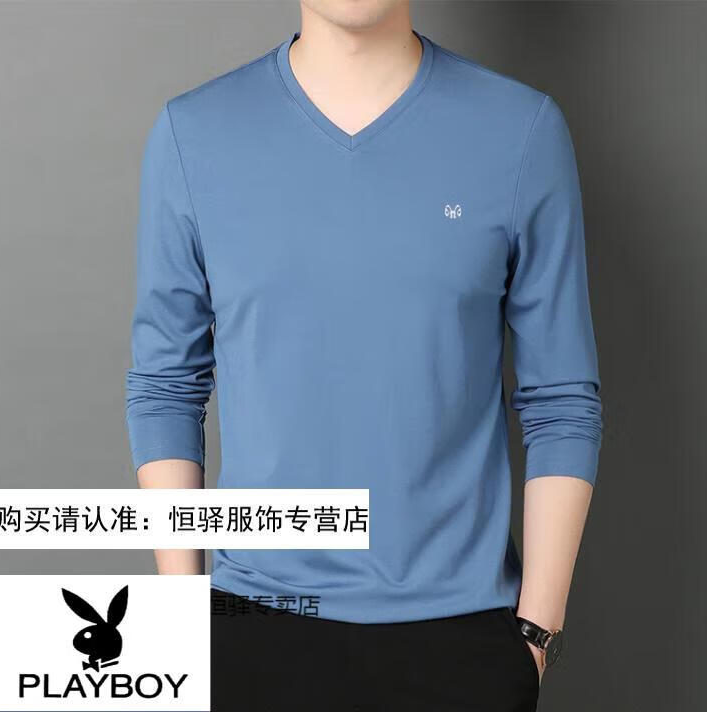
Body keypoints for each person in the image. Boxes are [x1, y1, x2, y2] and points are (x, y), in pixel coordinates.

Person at [125, 1, 603, 710]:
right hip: (251, 630)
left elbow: (561, 400)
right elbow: (166, 387)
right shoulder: (193, 135)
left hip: (462, 640)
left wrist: (535, 634)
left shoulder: (521, 131)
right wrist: (183, 624)